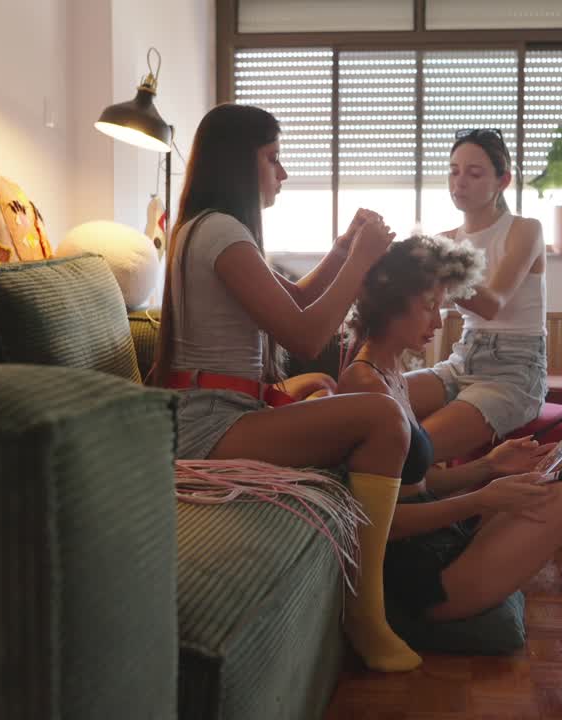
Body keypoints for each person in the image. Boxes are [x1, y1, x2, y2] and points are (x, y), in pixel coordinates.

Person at [148, 103, 420, 672]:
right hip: (210, 425)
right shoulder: (220, 231)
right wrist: (363, 260)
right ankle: (366, 615)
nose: (283, 171)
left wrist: (344, 251)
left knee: (333, 393)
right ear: (239, 162)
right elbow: (305, 332)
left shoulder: (209, 228)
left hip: (217, 411)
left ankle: (369, 596)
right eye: (273, 158)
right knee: (382, 418)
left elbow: (294, 301)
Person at [338, 235, 562, 624]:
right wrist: (482, 499)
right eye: (429, 307)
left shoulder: (391, 374)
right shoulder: (366, 387)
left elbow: (416, 488)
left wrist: (490, 465)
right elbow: (378, 525)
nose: (438, 322)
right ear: (392, 303)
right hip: (423, 582)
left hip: (442, 547)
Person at [406, 128, 549, 464]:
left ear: (503, 181)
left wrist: (436, 264)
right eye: (453, 171)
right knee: (371, 402)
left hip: (514, 372)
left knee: (414, 451)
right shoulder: (445, 240)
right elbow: (421, 304)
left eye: (474, 173)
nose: (460, 182)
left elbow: (491, 304)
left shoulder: (525, 230)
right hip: (461, 360)